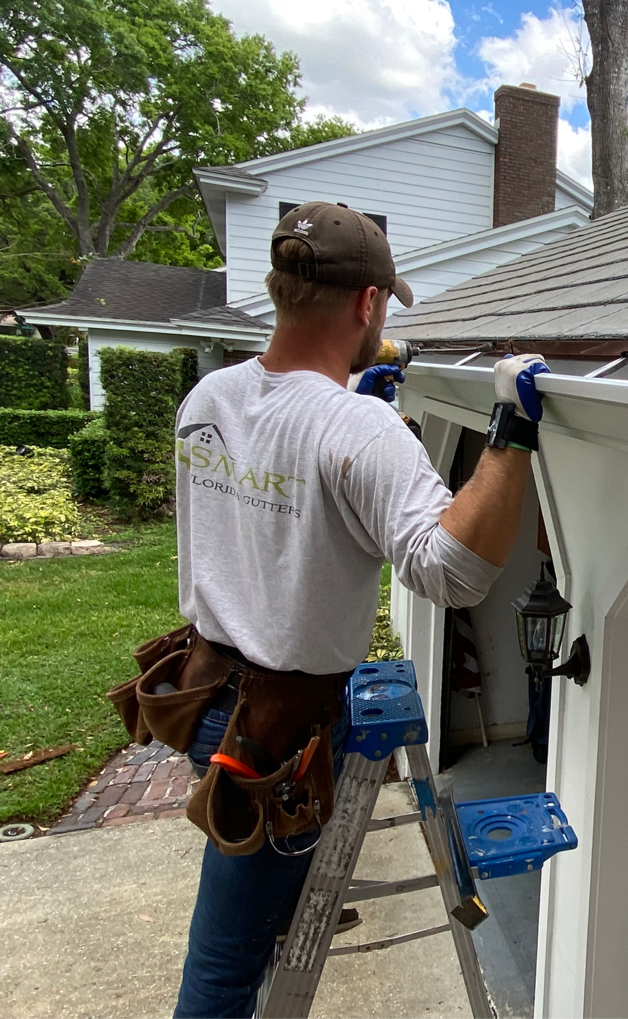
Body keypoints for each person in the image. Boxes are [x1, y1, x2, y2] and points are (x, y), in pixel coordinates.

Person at [172, 201, 549, 1019]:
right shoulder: (360, 429)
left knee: (253, 918)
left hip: (207, 703)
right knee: (224, 965)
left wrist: (356, 416)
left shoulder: (208, 398)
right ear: (367, 304)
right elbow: (454, 572)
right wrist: (511, 431)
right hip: (280, 735)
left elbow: (268, 502)